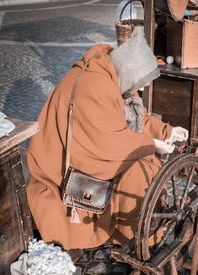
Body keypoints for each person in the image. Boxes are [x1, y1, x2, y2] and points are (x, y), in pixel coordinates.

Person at [26, 27, 188, 252]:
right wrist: (152, 145)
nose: (140, 89)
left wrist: (167, 131)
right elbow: (106, 143)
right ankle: (140, 242)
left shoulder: (113, 70)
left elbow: (134, 116)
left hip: (92, 145)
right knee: (139, 172)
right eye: (140, 83)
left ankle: (143, 231)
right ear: (130, 73)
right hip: (62, 165)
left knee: (144, 164)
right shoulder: (95, 86)